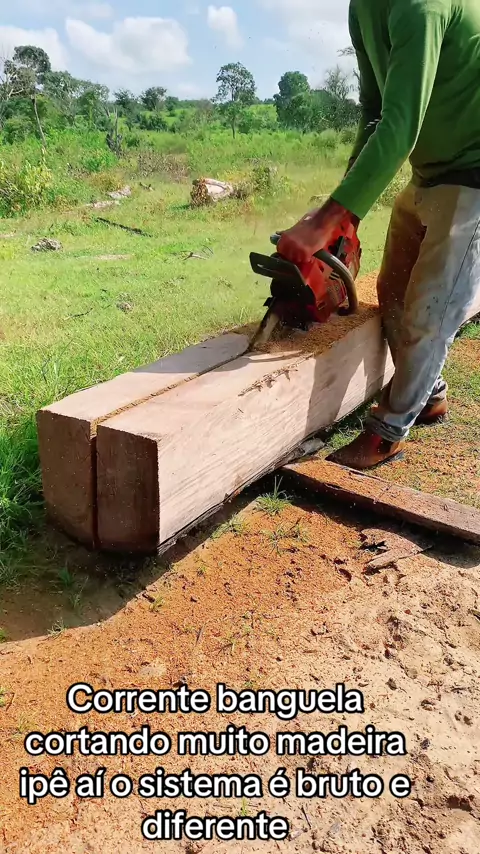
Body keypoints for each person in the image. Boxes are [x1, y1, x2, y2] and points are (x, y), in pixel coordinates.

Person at [278, 0, 480, 470]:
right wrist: (344, 216)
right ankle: (428, 393)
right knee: (393, 290)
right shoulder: (364, 7)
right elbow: (374, 111)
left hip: (474, 173)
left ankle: (387, 433)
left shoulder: (422, 5)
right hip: (431, 173)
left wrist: (323, 222)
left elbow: (400, 126)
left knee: (432, 310)